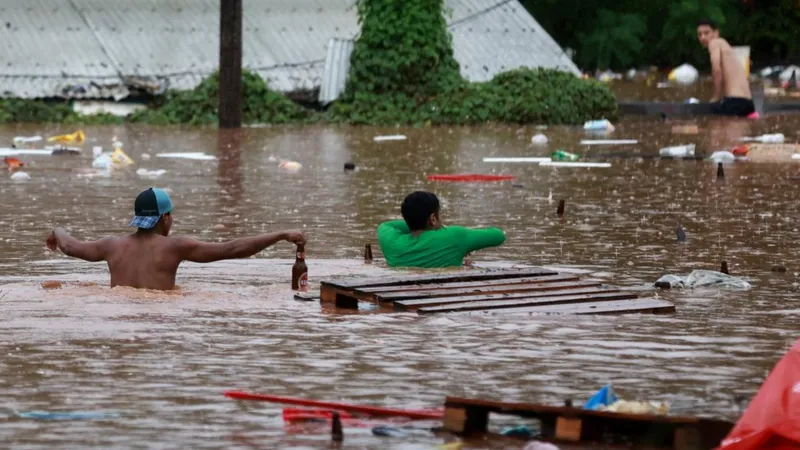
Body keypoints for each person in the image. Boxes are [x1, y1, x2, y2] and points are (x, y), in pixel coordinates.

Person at [45, 187, 306, 290]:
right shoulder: (176, 247)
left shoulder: (111, 245)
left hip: (119, 314)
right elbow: (232, 249)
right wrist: (280, 234)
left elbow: (70, 246)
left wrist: (57, 231)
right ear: (164, 217)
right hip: (161, 316)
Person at [377, 191, 506, 268]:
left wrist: (413, 222)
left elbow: (387, 225)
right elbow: (498, 236)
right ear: (433, 218)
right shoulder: (454, 236)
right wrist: (448, 232)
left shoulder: (391, 241)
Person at [696, 19, 754, 117]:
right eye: (699, 34)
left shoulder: (714, 43)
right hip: (748, 103)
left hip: (735, 101)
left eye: (706, 33)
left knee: (708, 122)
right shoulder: (727, 48)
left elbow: (716, 69)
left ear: (716, 33)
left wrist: (716, 97)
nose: (703, 37)